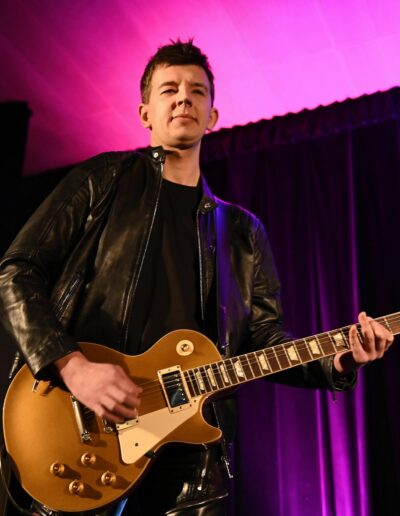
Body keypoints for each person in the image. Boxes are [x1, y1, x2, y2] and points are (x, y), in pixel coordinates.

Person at [0, 40, 394, 516]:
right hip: (84, 425)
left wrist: (340, 360)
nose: (184, 98)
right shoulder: (103, 180)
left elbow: (264, 341)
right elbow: (17, 271)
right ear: (145, 113)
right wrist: (72, 367)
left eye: (197, 91)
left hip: (195, 457)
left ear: (212, 116)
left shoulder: (243, 231)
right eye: (169, 89)